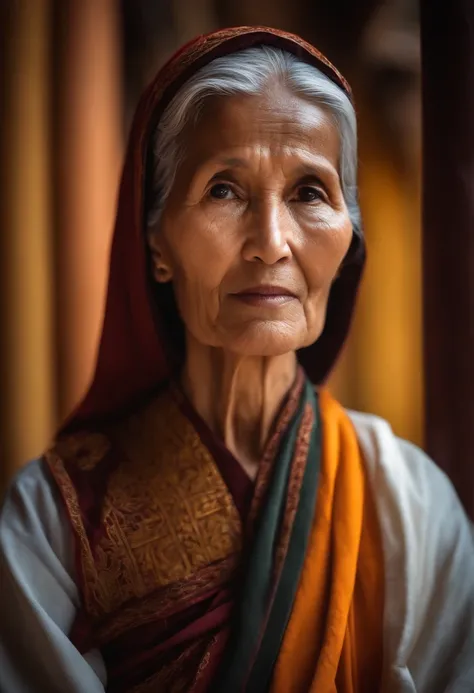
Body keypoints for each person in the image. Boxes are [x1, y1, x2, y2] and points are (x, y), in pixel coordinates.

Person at [0, 26, 473, 693]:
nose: (271, 243)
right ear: (156, 241)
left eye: (310, 192)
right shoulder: (53, 519)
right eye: (224, 189)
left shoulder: (411, 506)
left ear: (349, 240)